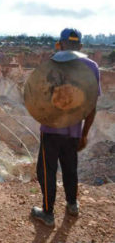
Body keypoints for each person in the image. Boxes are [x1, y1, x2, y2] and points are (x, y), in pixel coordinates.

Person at [31, 28, 101, 227]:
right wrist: (84, 134)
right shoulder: (92, 66)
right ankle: (72, 205)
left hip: (51, 130)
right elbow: (91, 107)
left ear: (59, 44)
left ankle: (47, 213)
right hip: (73, 131)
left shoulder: (50, 64)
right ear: (80, 46)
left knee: (46, 170)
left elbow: (38, 99)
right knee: (70, 168)